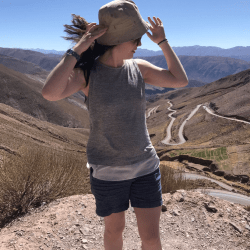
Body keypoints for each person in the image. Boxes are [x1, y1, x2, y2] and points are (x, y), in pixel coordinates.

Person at [42, 0, 188, 249]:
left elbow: (179, 80)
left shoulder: (138, 69)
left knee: (151, 237)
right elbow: (50, 93)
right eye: (135, 39)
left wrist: (163, 42)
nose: (139, 45)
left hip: (146, 167)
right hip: (108, 171)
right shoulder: (87, 74)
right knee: (114, 231)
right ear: (119, 39)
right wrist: (79, 48)